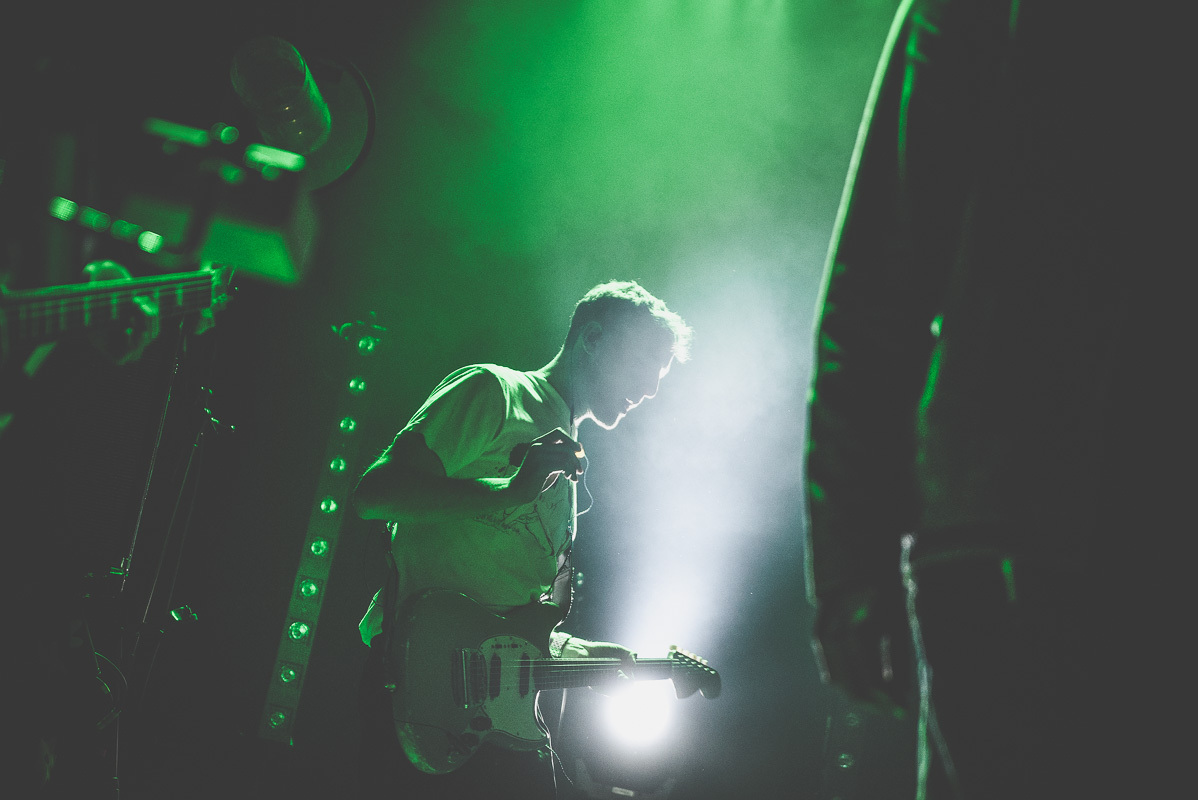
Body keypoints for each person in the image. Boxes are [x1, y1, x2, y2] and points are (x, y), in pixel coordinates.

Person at [804, 1, 1180, 798]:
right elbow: (877, 292)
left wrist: (851, 562)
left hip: (1007, 525)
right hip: (1025, 533)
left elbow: (874, 292)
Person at [352, 280, 691, 799]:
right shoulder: (495, 391)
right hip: (414, 696)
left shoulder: (572, 467)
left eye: (660, 375)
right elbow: (376, 493)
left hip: (488, 726)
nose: (649, 387)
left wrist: (585, 655)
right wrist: (509, 492)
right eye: (645, 362)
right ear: (592, 338)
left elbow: (511, 620)